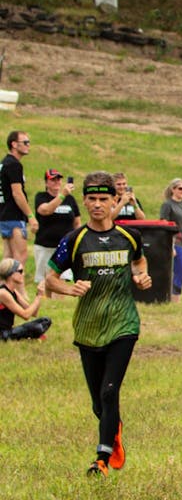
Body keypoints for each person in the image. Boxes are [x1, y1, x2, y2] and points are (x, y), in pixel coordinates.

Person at [45, 174, 153, 476]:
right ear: (84, 200)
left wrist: (140, 277)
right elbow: (50, 278)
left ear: (114, 201)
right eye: (91, 199)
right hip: (88, 327)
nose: (97, 205)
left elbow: (140, 263)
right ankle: (113, 434)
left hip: (123, 324)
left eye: (103, 199)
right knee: (98, 403)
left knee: (109, 392)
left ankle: (101, 460)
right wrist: (69, 289)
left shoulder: (129, 237)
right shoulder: (74, 240)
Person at [32, 170, 79, 297]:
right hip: (45, 245)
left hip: (63, 247)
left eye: (58, 179)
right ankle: (45, 302)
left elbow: (77, 221)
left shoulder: (70, 199)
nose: (57, 182)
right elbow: (45, 210)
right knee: (45, 279)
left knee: (61, 277)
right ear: (46, 182)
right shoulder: (41, 197)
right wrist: (62, 195)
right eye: (53, 179)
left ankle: (58, 302)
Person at [0, 130, 34, 264]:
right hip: (14, 216)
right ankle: (17, 285)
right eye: (25, 142)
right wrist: (31, 216)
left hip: (4, 214)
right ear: (14, 144)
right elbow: (17, 193)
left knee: (7, 257)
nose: (28, 145)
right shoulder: (14, 164)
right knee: (20, 257)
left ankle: (3, 285)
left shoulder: (4, 163)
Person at [0, 257, 50, 341]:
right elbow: (25, 315)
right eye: (20, 271)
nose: (23, 274)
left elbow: (34, 313)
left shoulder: (13, 291)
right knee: (36, 328)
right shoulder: (3, 293)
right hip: (2, 334)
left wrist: (39, 294)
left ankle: (30, 335)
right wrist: (38, 297)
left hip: (8, 330)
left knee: (46, 320)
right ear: (11, 274)